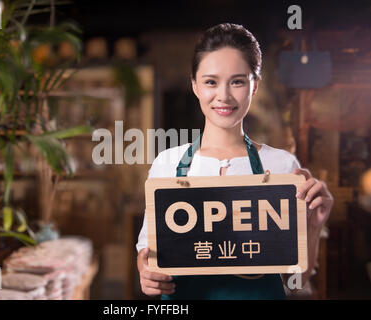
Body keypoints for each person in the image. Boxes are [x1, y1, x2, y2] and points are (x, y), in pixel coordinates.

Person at [136, 23, 334, 300]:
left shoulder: (281, 167)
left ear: (255, 86)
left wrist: (313, 226)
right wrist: (147, 275)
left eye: (238, 81)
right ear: (194, 84)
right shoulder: (166, 164)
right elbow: (148, 257)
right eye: (211, 82)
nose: (224, 96)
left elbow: (294, 283)